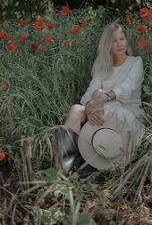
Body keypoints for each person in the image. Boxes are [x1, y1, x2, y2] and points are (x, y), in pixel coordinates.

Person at [54, 22, 144, 175]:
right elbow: (92, 90)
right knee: (76, 109)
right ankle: (60, 169)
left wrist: (104, 97)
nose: (119, 44)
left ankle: (92, 162)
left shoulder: (136, 62)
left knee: (102, 102)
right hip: (100, 108)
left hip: (127, 111)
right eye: (114, 41)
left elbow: (127, 87)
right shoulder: (101, 65)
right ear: (107, 45)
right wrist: (90, 104)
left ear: (126, 40)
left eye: (121, 39)